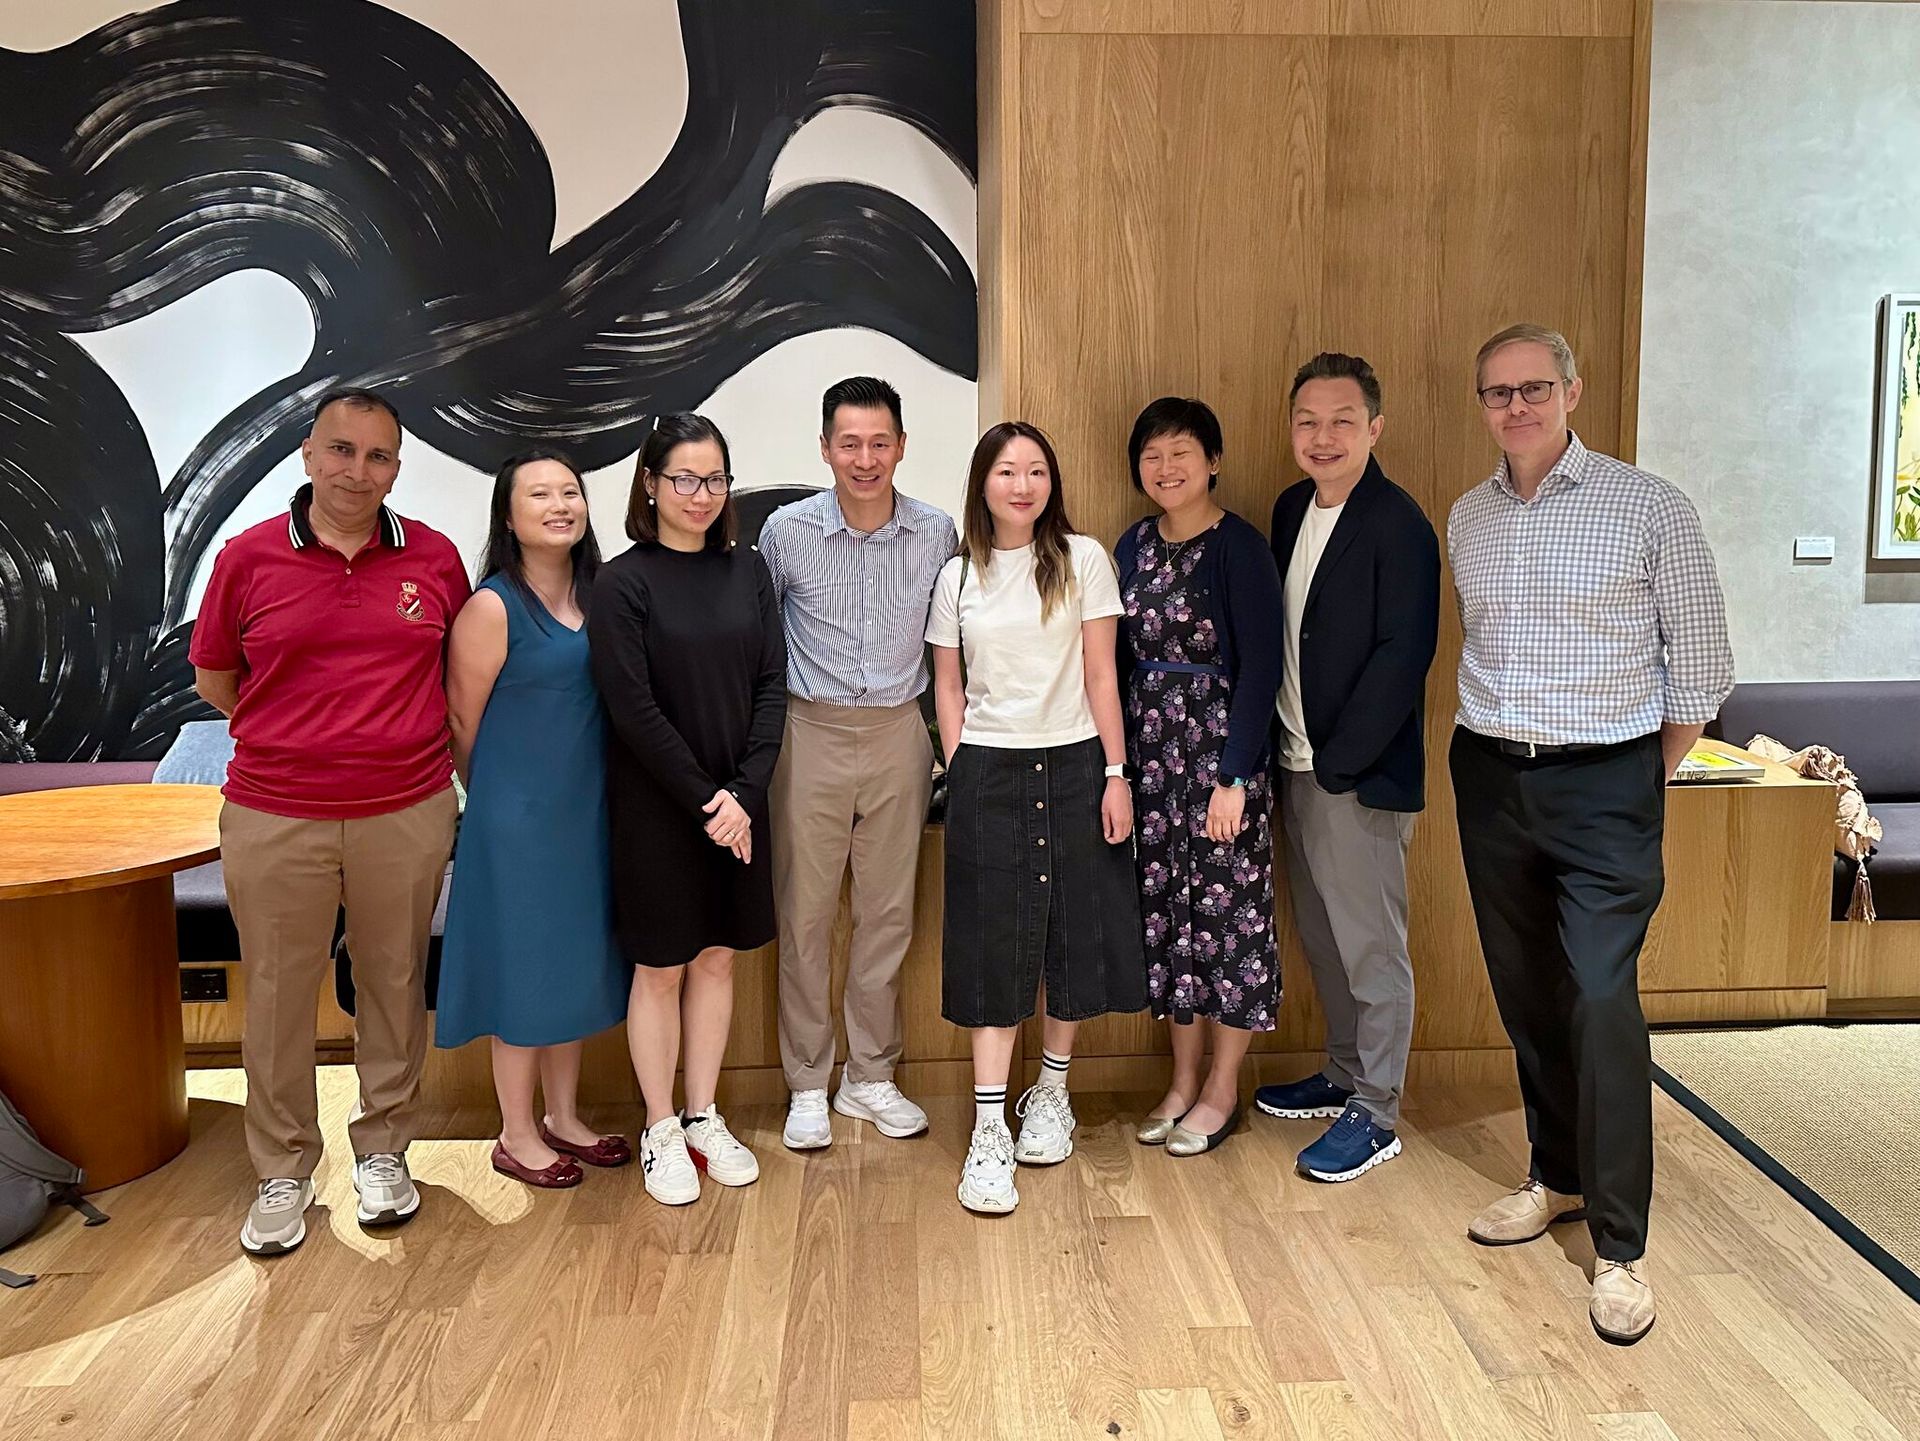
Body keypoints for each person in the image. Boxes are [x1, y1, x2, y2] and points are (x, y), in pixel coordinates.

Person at [1449, 324, 1733, 1345]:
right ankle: (1555, 1173)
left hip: (1609, 779)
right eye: (1497, 393)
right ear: (1481, 405)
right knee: (1528, 987)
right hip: (1489, 773)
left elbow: (1699, 671)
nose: (1516, 407)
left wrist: (1631, 781)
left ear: (1574, 388)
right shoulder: (1468, 516)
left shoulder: (1649, 508)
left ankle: (1620, 1248)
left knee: (1604, 997)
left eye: (1533, 388)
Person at [191, 388, 468, 1255]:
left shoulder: (435, 558)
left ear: (396, 468)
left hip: (407, 809)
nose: (358, 471)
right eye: (342, 451)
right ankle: (282, 1169)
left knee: (394, 984)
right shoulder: (247, 557)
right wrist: (302, 743)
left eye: (378, 456)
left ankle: (384, 1152)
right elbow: (217, 680)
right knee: (276, 996)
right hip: (277, 815)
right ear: (308, 454)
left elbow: (458, 679)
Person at [928, 421, 1146, 1214]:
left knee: (1069, 930)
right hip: (988, 767)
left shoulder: (1083, 560)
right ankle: (990, 1127)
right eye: (1007, 471)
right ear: (982, 482)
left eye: (1037, 471)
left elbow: (1101, 673)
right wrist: (961, 761)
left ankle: (1052, 1093)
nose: (1022, 485)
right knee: (992, 937)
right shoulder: (958, 575)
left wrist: (1117, 773)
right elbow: (946, 685)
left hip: (1079, 761)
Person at [588, 414, 787, 1206]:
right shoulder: (623, 581)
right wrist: (710, 800)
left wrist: (744, 793)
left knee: (716, 958)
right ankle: (661, 1126)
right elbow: (632, 709)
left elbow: (774, 684)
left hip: (740, 803)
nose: (701, 494)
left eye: (714, 479)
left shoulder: (751, 571)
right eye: (684, 479)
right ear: (650, 484)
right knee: (661, 965)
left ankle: (705, 1113)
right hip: (660, 808)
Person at [1253, 355, 1439, 1182]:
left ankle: (1379, 1107)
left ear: (1375, 426)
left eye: (1340, 420)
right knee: (1323, 935)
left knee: (1372, 946)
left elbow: (1405, 657)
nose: (1322, 437)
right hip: (1290, 763)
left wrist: (1340, 765)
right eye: (1307, 421)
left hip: (1352, 776)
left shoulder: (1399, 525)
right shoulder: (1292, 509)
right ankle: (1341, 1069)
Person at [759, 378, 957, 1150]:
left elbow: (951, 648)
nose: (865, 458)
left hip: (897, 734)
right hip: (808, 731)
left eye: (880, 442)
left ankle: (869, 1074)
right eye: (850, 443)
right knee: (804, 914)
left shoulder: (937, 532)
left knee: (887, 913)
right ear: (824, 448)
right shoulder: (785, 531)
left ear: (901, 445)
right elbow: (759, 642)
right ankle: (808, 1081)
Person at [436, 449, 631, 1188]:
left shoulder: (599, 592)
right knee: (522, 971)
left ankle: (564, 1116)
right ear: (509, 516)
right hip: (516, 823)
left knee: (569, 964)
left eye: (571, 492)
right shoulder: (491, 605)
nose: (561, 505)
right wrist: (505, 804)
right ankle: (515, 1132)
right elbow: (462, 722)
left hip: (587, 814)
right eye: (540, 494)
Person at [1115, 398, 1284, 1158]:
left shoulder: (1239, 547)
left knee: (1231, 926)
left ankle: (1222, 1088)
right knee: (1169, 923)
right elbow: (1116, 661)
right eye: (1152, 455)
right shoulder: (1132, 545)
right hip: (1152, 760)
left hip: (1219, 757)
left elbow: (1261, 672)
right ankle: (1181, 1081)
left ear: (1213, 459)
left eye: (1182, 451)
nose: (1167, 467)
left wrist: (1236, 776)